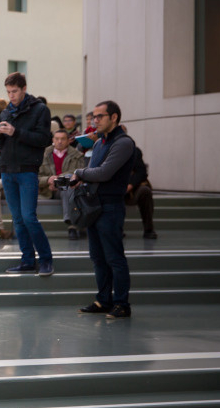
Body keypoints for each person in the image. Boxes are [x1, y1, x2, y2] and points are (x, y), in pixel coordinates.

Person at [72, 101, 137, 318]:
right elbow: (94, 173)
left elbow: (104, 173)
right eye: (94, 117)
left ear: (114, 117)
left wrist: (80, 173)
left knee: (114, 258)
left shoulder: (124, 142)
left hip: (110, 206)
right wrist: (78, 180)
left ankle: (122, 304)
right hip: (94, 205)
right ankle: (103, 300)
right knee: (98, 257)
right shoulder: (99, 143)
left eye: (100, 116)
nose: (95, 120)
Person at [0, 72, 54, 276]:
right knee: (18, 219)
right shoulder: (5, 113)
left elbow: (44, 139)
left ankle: (45, 260)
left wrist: (15, 132)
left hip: (27, 170)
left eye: (15, 91)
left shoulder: (40, 110)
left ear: (24, 88)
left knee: (29, 217)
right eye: (8, 92)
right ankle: (27, 260)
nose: (11, 96)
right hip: (8, 170)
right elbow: (1, 146)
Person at [39, 129, 88, 240]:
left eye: (63, 139)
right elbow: (35, 177)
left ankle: (71, 225)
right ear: (53, 140)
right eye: (57, 139)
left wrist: (56, 182)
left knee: (69, 182)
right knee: (68, 184)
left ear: (69, 140)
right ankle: (72, 226)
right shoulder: (43, 154)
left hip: (68, 188)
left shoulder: (77, 155)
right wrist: (48, 180)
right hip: (47, 190)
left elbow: (77, 174)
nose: (59, 141)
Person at [125, 143, 156, 239]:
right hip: (114, 187)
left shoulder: (134, 151)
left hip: (131, 188)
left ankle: (148, 229)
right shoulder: (105, 149)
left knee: (145, 191)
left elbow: (141, 172)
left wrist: (130, 185)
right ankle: (116, 229)